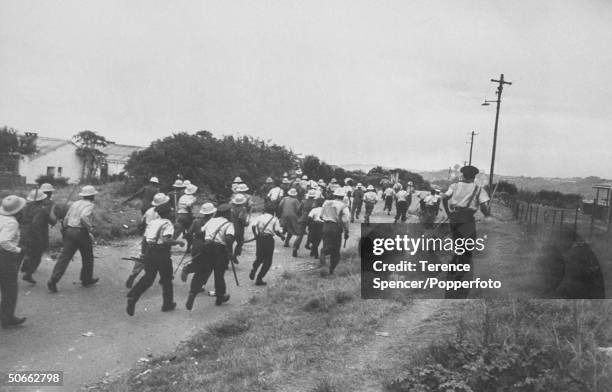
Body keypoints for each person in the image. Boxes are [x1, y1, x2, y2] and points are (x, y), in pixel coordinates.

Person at [126, 200, 185, 315]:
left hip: (150, 251)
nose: (173, 214)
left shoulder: (152, 223)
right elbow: (166, 240)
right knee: (167, 280)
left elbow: (144, 239)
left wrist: (144, 253)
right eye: (171, 212)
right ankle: (167, 304)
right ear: (168, 213)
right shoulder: (168, 224)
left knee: (148, 278)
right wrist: (178, 242)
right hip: (162, 253)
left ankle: (133, 296)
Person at [441, 165, 490, 299]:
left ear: (462, 175)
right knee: (467, 250)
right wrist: (487, 211)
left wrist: (448, 213)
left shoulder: (454, 186)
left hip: (454, 218)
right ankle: (458, 278)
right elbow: (485, 210)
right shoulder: (479, 189)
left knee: (458, 246)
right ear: (474, 177)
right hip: (467, 220)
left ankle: (452, 274)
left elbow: (444, 198)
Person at [48, 185, 99, 293]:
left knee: (64, 257)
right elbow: (84, 217)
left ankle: (53, 279)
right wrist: (90, 228)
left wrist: (66, 229)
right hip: (81, 232)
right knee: (87, 256)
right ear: (92, 196)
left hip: (69, 230)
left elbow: (66, 218)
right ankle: (86, 279)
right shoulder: (90, 205)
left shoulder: (75, 203)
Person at [185, 204, 234, 309]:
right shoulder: (229, 224)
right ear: (227, 214)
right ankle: (220, 297)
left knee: (202, 271)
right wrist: (230, 251)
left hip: (207, 247)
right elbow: (229, 238)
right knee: (219, 274)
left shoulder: (211, 221)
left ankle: (193, 293)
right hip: (220, 250)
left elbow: (201, 231)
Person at [125, 193, 167, 289]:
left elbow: (142, 223)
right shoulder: (161, 214)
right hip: (156, 239)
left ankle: (134, 274)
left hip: (146, 237)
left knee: (143, 257)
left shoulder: (149, 211)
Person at [0, 195, 27, 328]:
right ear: (17, 211)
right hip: (4, 256)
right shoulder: (12, 222)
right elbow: (4, 241)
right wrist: (17, 250)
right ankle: (7, 317)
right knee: (9, 288)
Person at [19, 189, 56, 284]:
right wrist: (52, 211)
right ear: (41, 200)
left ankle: (10, 274)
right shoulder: (43, 211)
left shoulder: (23, 208)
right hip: (36, 236)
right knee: (37, 256)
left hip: (22, 234)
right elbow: (53, 221)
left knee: (21, 253)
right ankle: (28, 274)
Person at [249, 203, 284, 285]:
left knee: (259, 257)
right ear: (274, 212)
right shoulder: (274, 219)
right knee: (268, 261)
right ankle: (259, 278)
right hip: (268, 239)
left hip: (260, 239)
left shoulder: (260, 217)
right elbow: (277, 231)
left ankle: (254, 269)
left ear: (265, 210)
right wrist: (282, 236)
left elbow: (253, 226)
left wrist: (256, 235)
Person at [181, 202, 216, 284]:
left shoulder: (196, 221)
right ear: (212, 213)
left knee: (197, 261)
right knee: (208, 265)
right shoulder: (213, 222)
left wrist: (190, 244)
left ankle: (189, 269)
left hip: (196, 243)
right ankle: (198, 281)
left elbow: (189, 233)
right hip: (207, 244)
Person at [319, 188, 350, 274]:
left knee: (325, 248)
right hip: (336, 228)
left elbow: (321, 216)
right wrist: (346, 231)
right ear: (343, 196)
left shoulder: (326, 203)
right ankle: (331, 270)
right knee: (336, 251)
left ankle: (323, 265)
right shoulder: (344, 206)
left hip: (325, 226)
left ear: (335, 195)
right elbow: (346, 220)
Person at [292, 189, 317, 257]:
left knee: (300, 235)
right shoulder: (315, 202)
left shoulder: (303, 201)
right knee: (312, 234)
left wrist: (301, 215)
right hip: (312, 219)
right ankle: (310, 247)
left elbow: (298, 211)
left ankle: (295, 248)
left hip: (303, 218)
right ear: (314, 196)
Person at [174, 184, 198, 252]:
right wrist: (190, 212)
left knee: (178, 231)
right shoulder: (193, 198)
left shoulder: (182, 197)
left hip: (180, 214)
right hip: (186, 215)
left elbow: (178, 205)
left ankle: (168, 244)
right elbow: (188, 204)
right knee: (190, 231)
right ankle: (189, 247)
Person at [230, 193, 249, 261]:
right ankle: (235, 255)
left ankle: (229, 256)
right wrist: (246, 223)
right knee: (240, 242)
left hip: (231, 227)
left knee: (230, 243)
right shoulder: (243, 209)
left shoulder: (231, 208)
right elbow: (241, 218)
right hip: (239, 228)